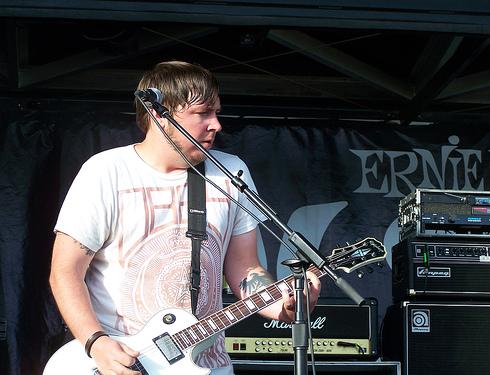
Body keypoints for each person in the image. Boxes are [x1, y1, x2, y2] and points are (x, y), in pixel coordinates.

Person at [49, 60, 321, 375]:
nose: (216, 124)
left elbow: (245, 269)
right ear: (157, 115)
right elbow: (65, 273)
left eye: (216, 112)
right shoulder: (106, 171)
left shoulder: (230, 172)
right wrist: (96, 343)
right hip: (121, 360)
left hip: (207, 364)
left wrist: (283, 305)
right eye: (203, 113)